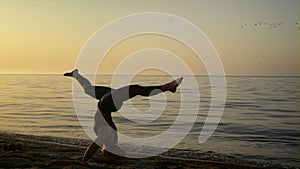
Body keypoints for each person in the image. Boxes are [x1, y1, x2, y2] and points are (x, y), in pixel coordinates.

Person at [64, 69, 183, 162]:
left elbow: (94, 146)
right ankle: (166, 87)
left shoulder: (104, 137)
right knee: (134, 89)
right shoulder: (110, 139)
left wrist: (84, 161)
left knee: (89, 89)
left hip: (107, 101)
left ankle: (76, 74)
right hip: (109, 102)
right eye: (116, 150)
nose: (115, 148)